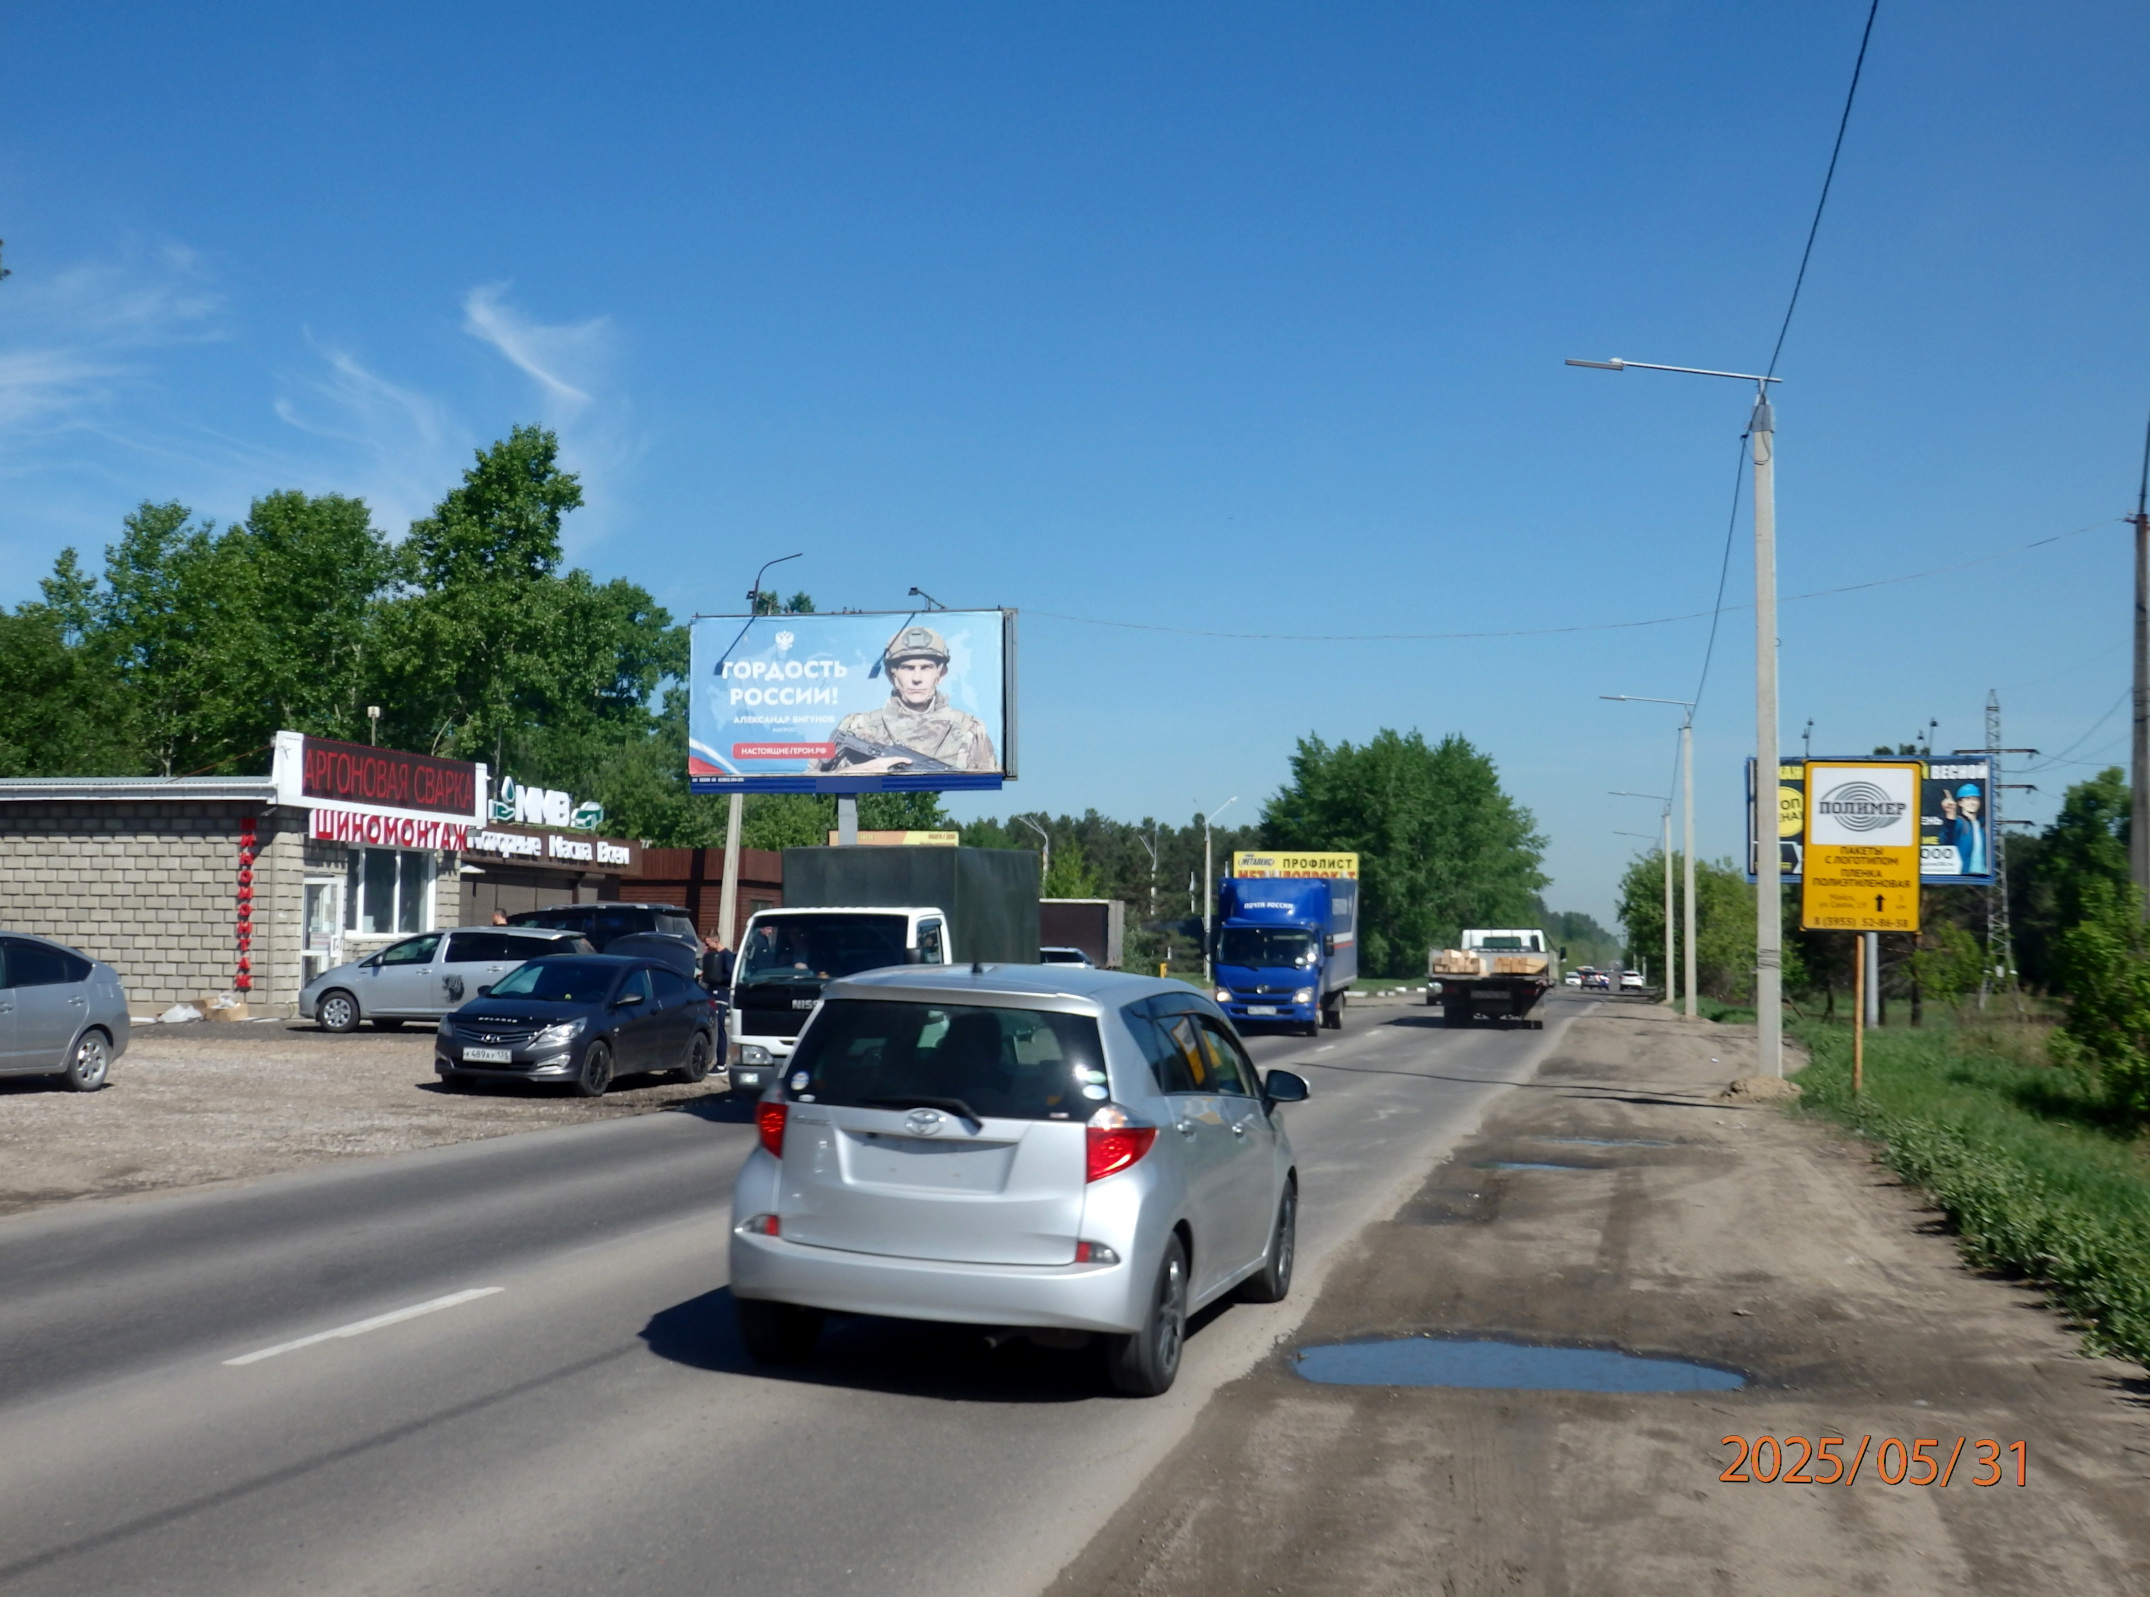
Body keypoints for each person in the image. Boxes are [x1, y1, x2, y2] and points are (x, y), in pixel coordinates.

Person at [818, 625, 999, 774]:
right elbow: (811, 778)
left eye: (926, 668)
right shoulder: (857, 726)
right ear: (892, 674)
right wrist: (860, 771)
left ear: (941, 674)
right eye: (908, 668)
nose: (917, 678)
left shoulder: (969, 729)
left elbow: (990, 783)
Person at [1943, 783, 1988, 876]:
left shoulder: (1982, 826)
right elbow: (1945, 839)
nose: (1972, 802)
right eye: (1968, 799)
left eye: (1975, 799)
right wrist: (1950, 816)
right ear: (1960, 803)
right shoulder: (1959, 823)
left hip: (1982, 875)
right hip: (1963, 875)